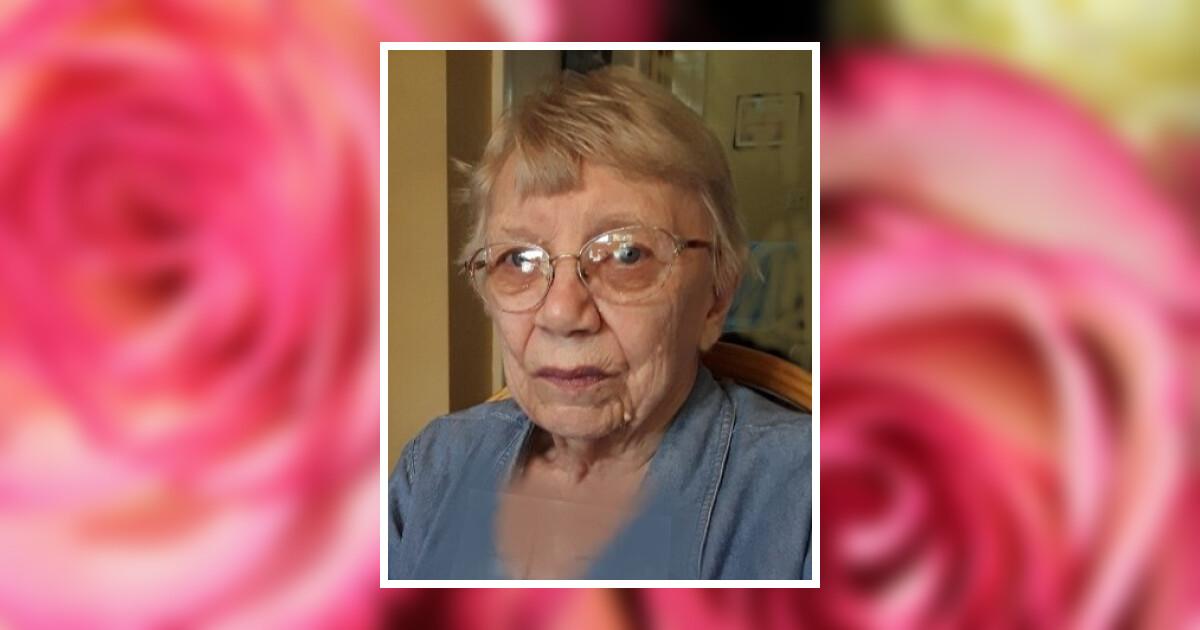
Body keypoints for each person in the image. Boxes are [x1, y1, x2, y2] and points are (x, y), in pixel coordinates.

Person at [388, 65, 812, 579]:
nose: (562, 314)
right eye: (518, 259)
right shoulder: (434, 468)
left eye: (628, 254)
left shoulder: (811, 499)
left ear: (716, 298)